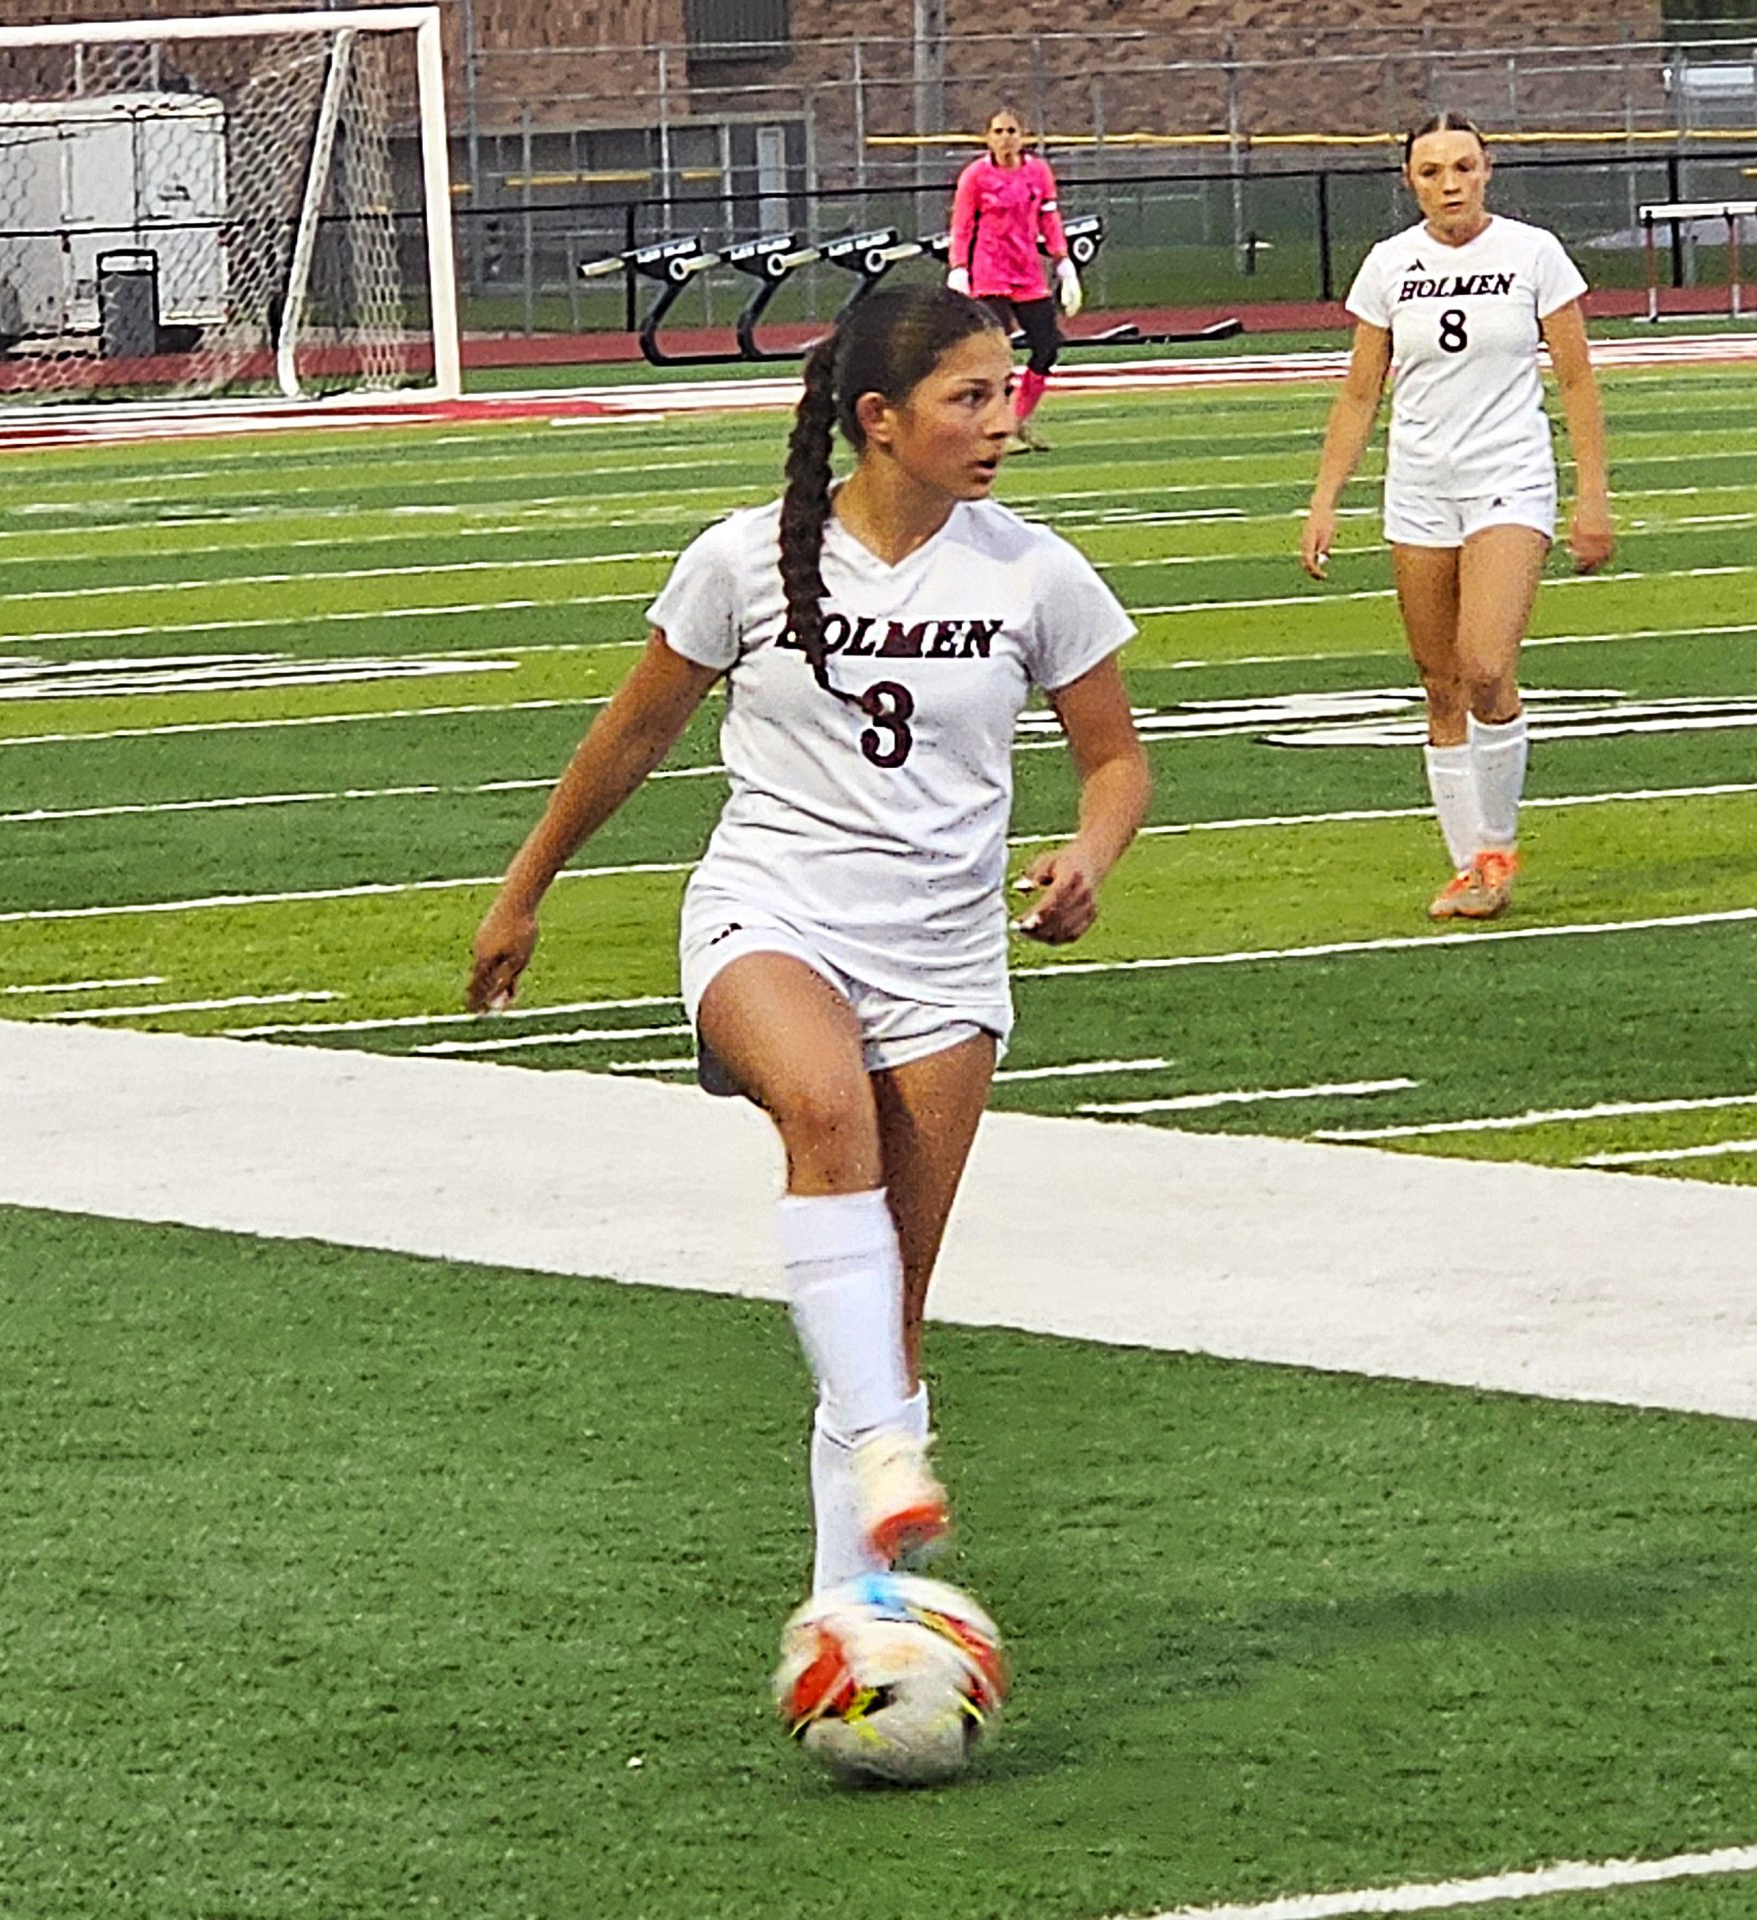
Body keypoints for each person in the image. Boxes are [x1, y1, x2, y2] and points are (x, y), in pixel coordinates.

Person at [467, 286, 1150, 1592]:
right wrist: (524, 888)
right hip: (767, 919)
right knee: (824, 1110)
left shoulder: (1035, 572)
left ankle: (857, 1622)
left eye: (1007, 392)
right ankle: (894, 1452)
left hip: (945, 964)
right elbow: (634, 733)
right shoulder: (742, 561)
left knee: (884, 1322)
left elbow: (1116, 761)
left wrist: (1089, 856)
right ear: (881, 421)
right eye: (973, 396)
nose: (1004, 420)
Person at [1301, 113, 1614, 923]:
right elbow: (1361, 391)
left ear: (1488, 171)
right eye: (1433, 171)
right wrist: (1326, 499)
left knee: (1484, 666)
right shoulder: (1388, 266)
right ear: (1410, 180)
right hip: (1419, 488)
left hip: (1508, 477)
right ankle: (1469, 866)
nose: (1450, 185)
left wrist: (1593, 496)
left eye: (1463, 168)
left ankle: (1498, 846)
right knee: (1439, 685)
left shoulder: (1533, 253)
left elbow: (1577, 381)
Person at [947, 108, 1081, 453]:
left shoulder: (1037, 173)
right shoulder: (975, 176)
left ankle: (1017, 418)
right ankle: (994, 426)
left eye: (1011, 131)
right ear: (988, 137)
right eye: (999, 131)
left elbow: (1049, 219)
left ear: (1022, 135)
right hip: (989, 273)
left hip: (1027, 273)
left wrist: (1062, 261)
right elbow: (962, 225)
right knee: (994, 351)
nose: (1006, 138)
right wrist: (959, 267)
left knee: (1047, 344)